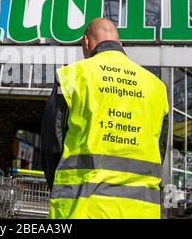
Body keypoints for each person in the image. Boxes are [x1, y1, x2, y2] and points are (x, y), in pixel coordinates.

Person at [41, 17, 169, 219]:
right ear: (120, 45)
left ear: (85, 42)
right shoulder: (157, 87)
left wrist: (58, 186)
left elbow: (52, 146)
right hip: (141, 211)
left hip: (82, 209)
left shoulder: (72, 76)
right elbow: (159, 152)